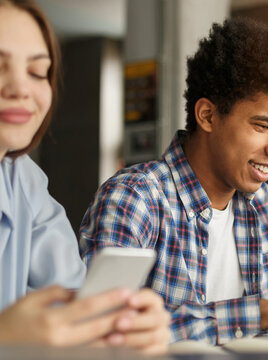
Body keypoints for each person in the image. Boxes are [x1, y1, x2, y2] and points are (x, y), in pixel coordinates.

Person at [78, 17, 268, 345]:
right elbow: (102, 330)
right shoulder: (135, 198)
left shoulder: (265, 207)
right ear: (207, 115)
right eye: (263, 126)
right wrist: (267, 312)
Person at [0, 0, 169, 353]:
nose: (20, 88)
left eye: (37, 72)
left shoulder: (24, 181)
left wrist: (118, 325)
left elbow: (71, 307)